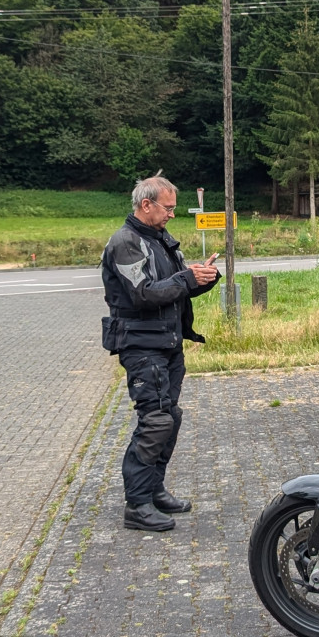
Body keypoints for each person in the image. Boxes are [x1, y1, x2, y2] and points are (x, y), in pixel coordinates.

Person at [101, 174, 221, 532]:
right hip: (141, 346)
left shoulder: (161, 240)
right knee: (155, 421)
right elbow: (143, 293)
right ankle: (137, 505)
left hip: (168, 344)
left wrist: (202, 278)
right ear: (146, 204)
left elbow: (174, 289)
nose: (172, 214)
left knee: (170, 417)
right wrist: (187, 278)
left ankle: (154, 490)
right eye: (167, 208)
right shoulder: (126, 242)